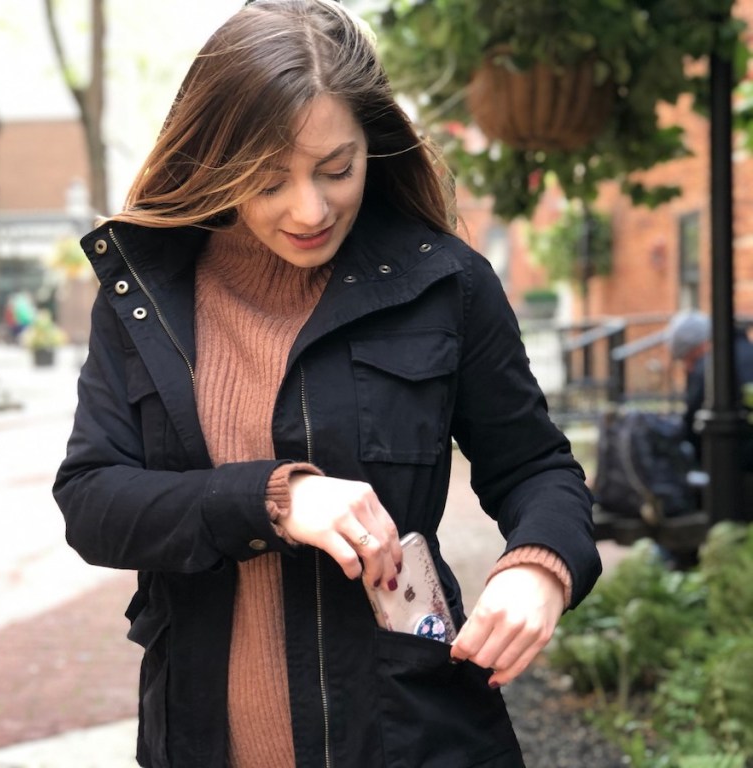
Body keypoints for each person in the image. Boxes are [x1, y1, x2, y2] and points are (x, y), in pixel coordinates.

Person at [52, 2, 602, 765]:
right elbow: (92, 500)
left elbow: (538, 469)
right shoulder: (149, 298)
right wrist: (276, 499)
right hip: (201, 739)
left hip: (415, 736)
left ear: (370, 147)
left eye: (335, 169)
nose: (310, 209)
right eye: (268, 180)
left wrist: (542, 567)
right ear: (216, 164)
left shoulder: (443, 284)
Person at [667, 310, 753, 472]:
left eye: (688, 358)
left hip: (734, 471)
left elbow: (690, 429)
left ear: (703, 345)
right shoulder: (746, 351)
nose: (688, 367)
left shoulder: (709, 369)